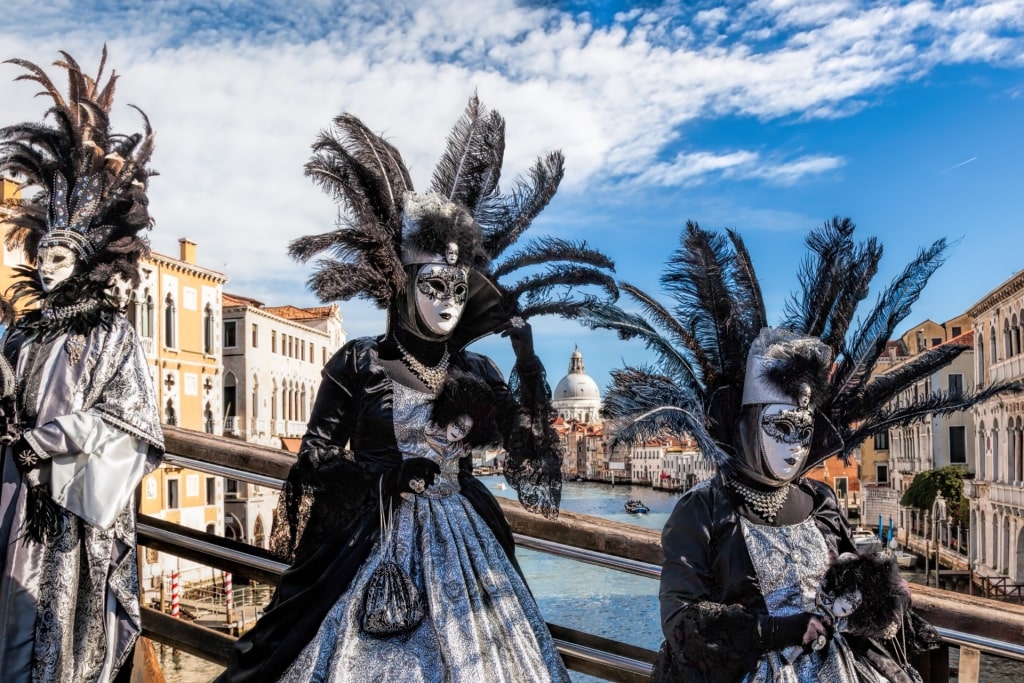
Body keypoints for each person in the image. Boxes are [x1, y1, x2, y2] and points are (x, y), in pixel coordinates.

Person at [216, 98, 610, 682]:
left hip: (469, 544)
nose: (449, 298)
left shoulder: (479, 371)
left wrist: (527, 362)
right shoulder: (359, 360)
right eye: (434, 284)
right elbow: (315, 459)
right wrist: (384, 479)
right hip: (366, 542)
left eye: (459, 285)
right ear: (405, 286)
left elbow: (532, 465)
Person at [577, 220, 1017, 682]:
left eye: (803, 431)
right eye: (780, 427)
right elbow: (683, 624)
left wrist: (884, 593)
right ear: (747, 426)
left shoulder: (821, 502)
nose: (795, 446)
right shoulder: (702, 511)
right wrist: (784, 630)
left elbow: (858, 582)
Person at [0, 49, 164, 682]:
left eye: (60, 261)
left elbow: (130, 415)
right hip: (15, 487)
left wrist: (49, 443)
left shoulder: (109, 332)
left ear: (88, 263)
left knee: (59, 617)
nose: (45, 267)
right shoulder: (26, 329)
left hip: (73, 500)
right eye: (43, 257)